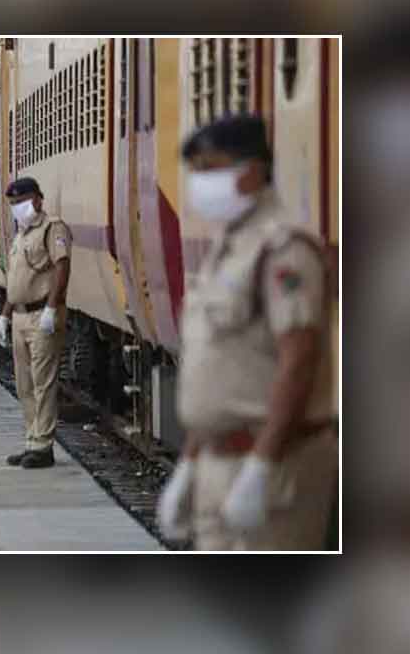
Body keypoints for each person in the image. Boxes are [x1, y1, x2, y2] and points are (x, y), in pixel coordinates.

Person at [155, 115, 336, 551]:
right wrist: (191, 463)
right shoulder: (230, 247)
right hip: (217, 462)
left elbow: (299, 360)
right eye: (195, 169)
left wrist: (262, 465)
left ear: (251, 170)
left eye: (210, 168)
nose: (199, 182)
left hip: (272, 463)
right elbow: (221, 367)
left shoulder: (284, 249)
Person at [0, 177, 71, 470]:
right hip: (20, 315)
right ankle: (31, 440)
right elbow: (15, 279)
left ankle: (43, 445)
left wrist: (52, 308)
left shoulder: (53, 228)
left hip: (42, 314)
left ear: (38, 199)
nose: (17, 208)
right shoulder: (21, 234)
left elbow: (62, 266)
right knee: (24, 384)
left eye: (22, 202)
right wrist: (4, 315)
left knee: (43, 382)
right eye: (13, 204)